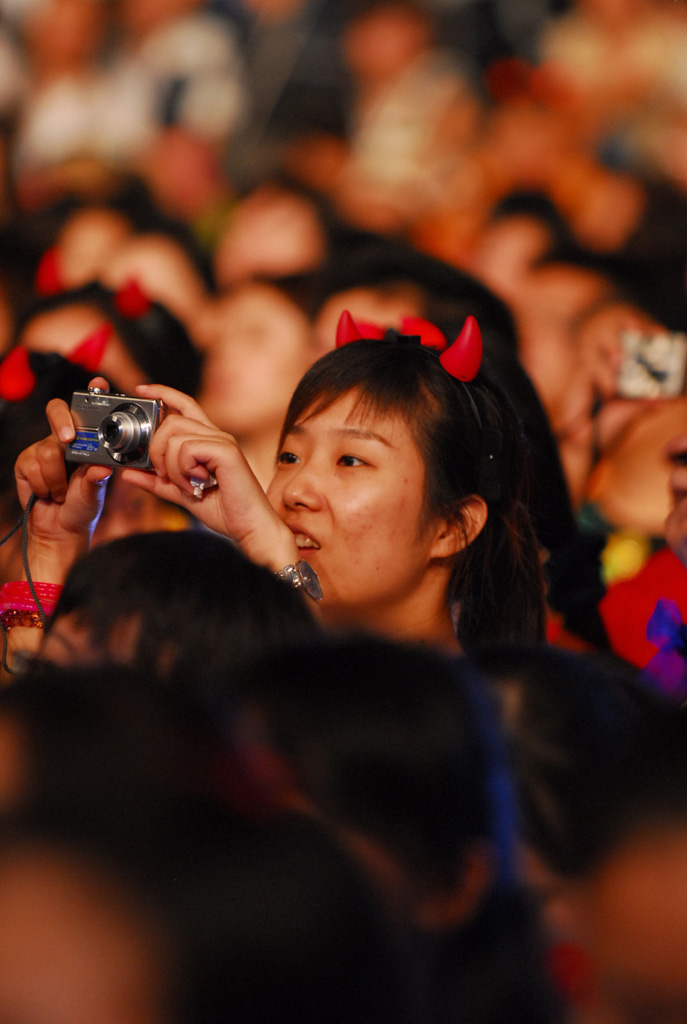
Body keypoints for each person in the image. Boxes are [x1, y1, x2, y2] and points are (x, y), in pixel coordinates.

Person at [12, 312, 545, 655]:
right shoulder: (219, 657)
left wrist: (272, 557)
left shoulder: (481, 715)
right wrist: (52, 548)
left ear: (453, 526)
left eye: (352, 461)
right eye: (289, 455)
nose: (295, 490)